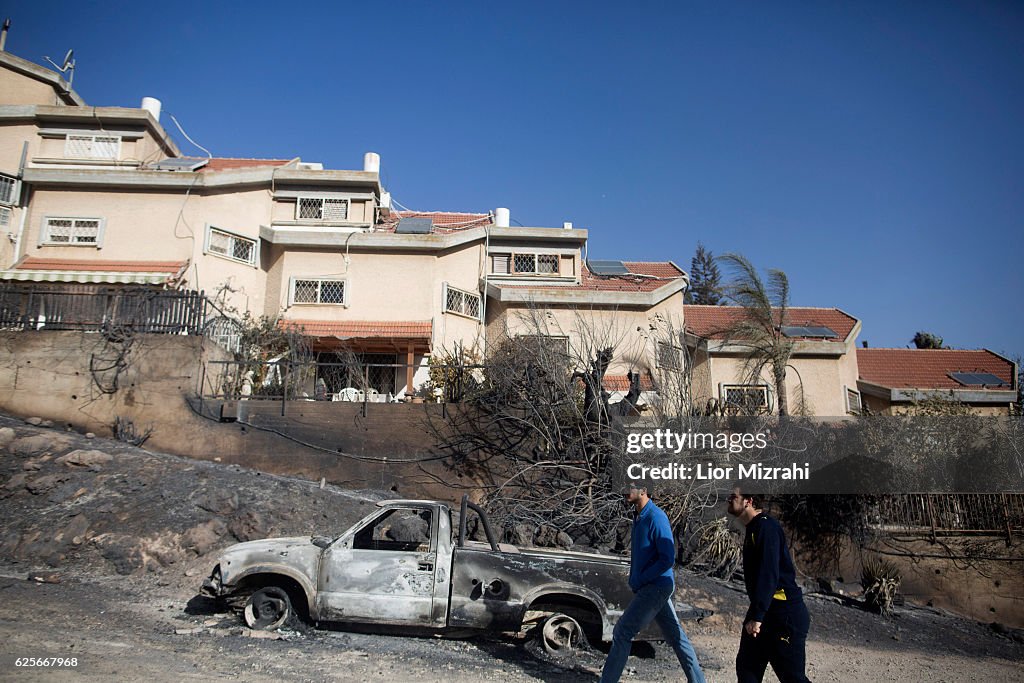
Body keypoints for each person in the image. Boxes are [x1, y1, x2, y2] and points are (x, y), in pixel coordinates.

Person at [600, 480, 705, 683]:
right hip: (654, 586)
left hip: (656, 587)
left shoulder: (656, 517)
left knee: (622, 631)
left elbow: (667, 558)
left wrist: (641, 579)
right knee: (677, 638)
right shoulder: (639, 517)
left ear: (644, 490)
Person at [726, 487, 812, 683]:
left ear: (749, 500)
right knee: (747, 670)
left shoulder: (766, 527)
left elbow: (769, 575)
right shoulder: (753, 528)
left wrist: (757, 616)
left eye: (734, 497)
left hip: (784, 615)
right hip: (765, 612)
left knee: (792, 677)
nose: (729, 500)